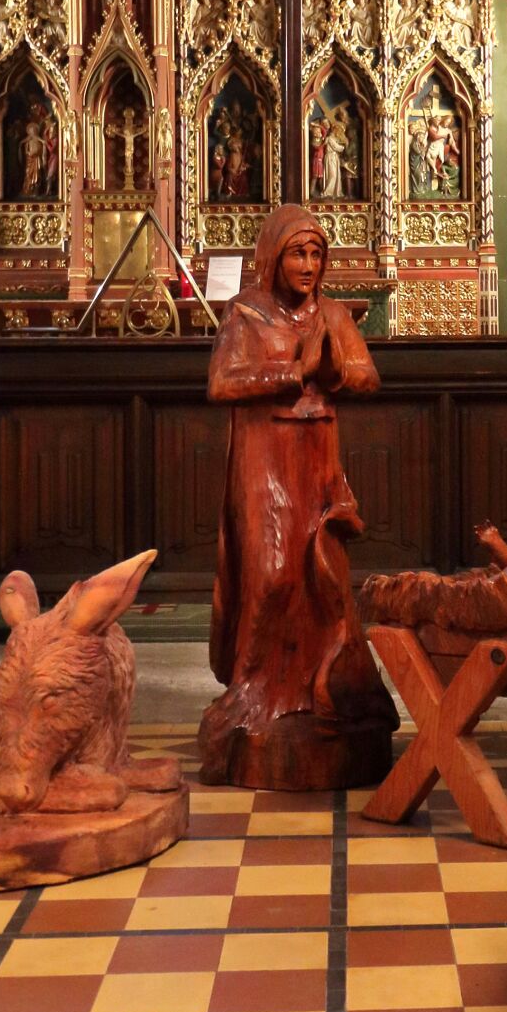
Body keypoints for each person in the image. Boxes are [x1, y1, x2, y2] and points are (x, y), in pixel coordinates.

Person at [200, 205, 397, 790]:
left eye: (316, 254)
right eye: (297, 253)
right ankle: (256, 694)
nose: (309, 265)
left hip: (317, 456)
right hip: (264, 458)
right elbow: (221, 383)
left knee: (323, 580)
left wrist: (330, 362)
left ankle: (325, 693)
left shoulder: (332, 314)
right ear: (273, 256)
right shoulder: (246, 314)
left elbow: (366, 375)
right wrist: (292, 372)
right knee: (271, 577)